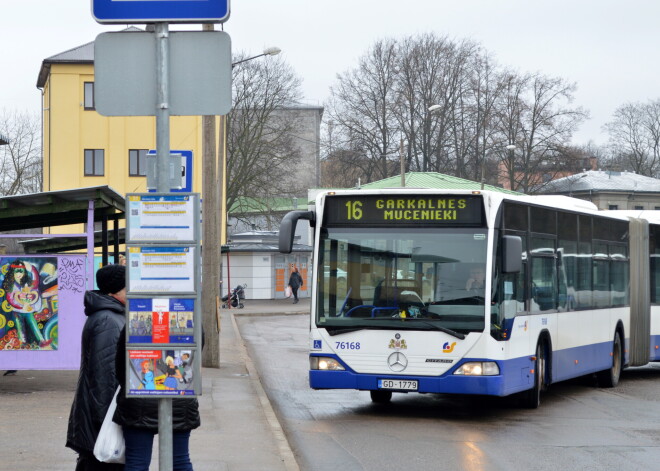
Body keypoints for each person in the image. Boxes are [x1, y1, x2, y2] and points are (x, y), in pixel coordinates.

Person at [66, 264, 127, 471]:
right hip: (101, 415)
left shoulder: (110, 314)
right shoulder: (108, 320)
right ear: (114, 291)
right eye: (128, 287)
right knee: (99, 463)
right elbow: (104, 376)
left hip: (97, 412)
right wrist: (108, 421)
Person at [114, 330, 200, 471]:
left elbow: (121, 364)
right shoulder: (192, 314)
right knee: (180, 460)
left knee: (137, 461)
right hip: (180, 398)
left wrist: (130, 386)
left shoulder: (135, 317)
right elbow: (194, 357)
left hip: (138, 399)